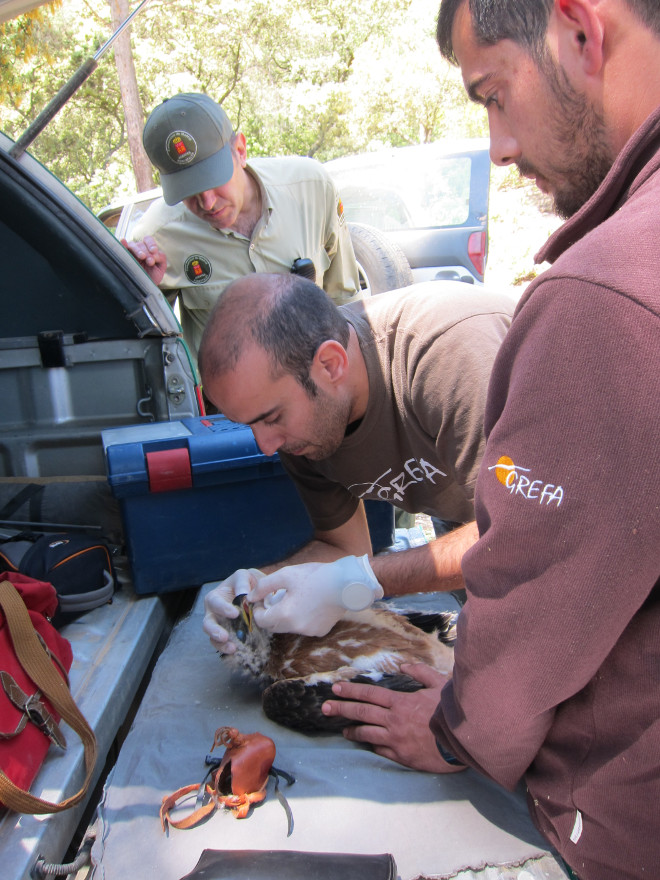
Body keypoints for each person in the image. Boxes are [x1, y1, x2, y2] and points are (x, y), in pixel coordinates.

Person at [319, 2, 660, 879]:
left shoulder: (604, 301)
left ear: (579, 30)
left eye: (493, 93)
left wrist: (458, 728)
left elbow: (535, 581)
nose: (499, 148)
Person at [198, 272, 514, 644]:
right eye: (248, 425)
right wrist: (258, 586)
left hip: (568, 506)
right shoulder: (302, 423)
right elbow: (345, 548)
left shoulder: (447, 356)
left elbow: (520, 536)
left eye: (271, 418)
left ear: (331, 364)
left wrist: (358, 581)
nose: (266, 445)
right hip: (474, 513)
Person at [124, 93, 362, 360]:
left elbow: (347, 301)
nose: (207, 202)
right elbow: (148, 344)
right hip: (226, 401)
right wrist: (145, 287)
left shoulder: (311, 189)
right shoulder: (158, 236)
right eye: (189, 191)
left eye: (214, 180)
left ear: (240, 151)